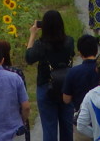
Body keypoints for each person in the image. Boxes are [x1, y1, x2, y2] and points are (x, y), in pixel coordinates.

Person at [25, 10, 75, 141]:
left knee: (49, 128)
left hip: (46, 86)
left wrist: (32, 34)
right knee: (67, 127)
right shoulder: (69, 41)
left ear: (44, 27)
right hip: (67, 87)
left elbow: (29, 58)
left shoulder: (40, 45)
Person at [61, 34, 100, 125]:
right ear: (96, 50)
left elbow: (66, 99)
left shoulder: (73, 72)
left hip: (83, 119)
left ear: (79, 53)